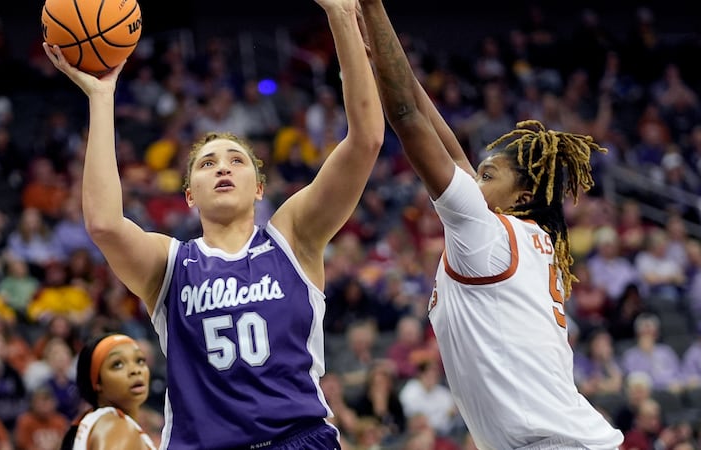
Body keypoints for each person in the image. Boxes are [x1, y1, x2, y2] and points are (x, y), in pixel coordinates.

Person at [43, 0, 383, 444]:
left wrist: (341, 15)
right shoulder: (171, 266)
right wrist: (102, 97)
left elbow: (365, 140)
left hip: (298, 438)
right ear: (189, 195)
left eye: (236, 160)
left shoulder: (292, 239)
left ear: (259, 188)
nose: (222, 167)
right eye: (207, 164)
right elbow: (105, 224)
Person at [357, 0, 623, 448]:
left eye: (487, 176)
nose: (472, 181)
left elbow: (406, 117)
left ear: (523, 196)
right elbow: (439, 132)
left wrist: (370, 5)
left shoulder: (485, 235)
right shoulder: (523, 237)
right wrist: (384, 57)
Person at [59, 333, 156, 450]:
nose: (135, 370)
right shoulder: (117, 427)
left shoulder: (100, 422)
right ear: (97, 382)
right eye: (118, 364)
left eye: (140, 360)